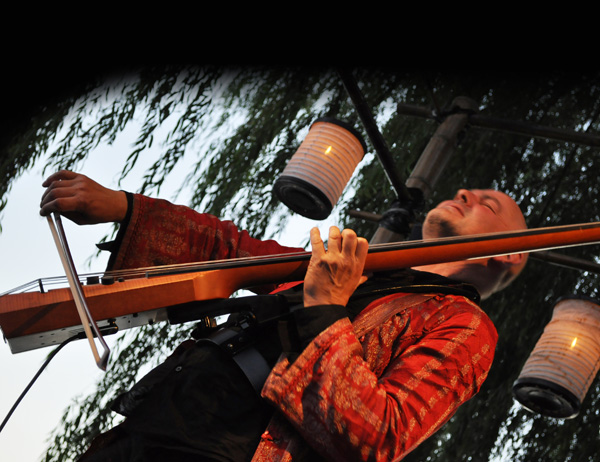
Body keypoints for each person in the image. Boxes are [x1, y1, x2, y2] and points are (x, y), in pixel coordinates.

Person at [39, 170, 528, 462]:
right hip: (160, 418)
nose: (465, 195)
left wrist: (326, 307)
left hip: (230, 450)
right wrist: (124, 207)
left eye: (487, 203)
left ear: (510, 255)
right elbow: (234, 253)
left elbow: (383, 436)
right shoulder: (359, 267)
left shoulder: (466, 326)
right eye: (470, 192)